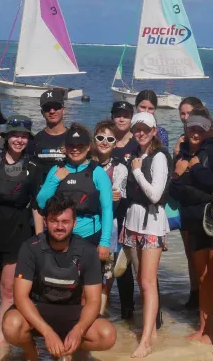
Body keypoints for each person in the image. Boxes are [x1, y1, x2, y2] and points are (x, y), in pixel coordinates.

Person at [2, 194, 117, 360]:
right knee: (10, 326)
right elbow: (20, 297)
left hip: (72, 311)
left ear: (74, 223)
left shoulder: (88, 251)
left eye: (65, 222)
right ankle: (31, 351)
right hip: (38, 307)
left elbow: (93, 301)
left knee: (107, 335)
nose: (59, 226)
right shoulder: (31, 247)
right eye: (54, 221)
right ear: (46, 222)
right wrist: (47, 332)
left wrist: (78, 331)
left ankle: (69, 348)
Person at [169, 111, 213, 346]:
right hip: (192, 221)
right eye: (191, 128)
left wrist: (195, 170)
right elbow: (175, 190)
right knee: (203, 277)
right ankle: (204, 327)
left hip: (212, 221)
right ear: (185, 129)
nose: (195, 133)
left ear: (208, 131)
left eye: (200, 129)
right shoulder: (184, 154)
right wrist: (179, 173)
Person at [0, 115, 38, 345]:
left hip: (19, 229)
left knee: (7, 289)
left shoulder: (34, 166)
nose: (19, 140)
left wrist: (40, 239)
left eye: (24, 136)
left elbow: (37, 205)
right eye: (15, 135)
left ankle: (3, 338)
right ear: (6, 137)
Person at [123, 111, 170, 358]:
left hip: (151, 223)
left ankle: (146, 342)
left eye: (145, 128)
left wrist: (138, 172)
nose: (140, 132)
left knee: (148, 282)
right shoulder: (137, 155)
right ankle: (149, 332)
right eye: (137, 129)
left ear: (154, 131)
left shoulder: (159, 157)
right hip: (133, 223)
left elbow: (155, 194)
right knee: (141, 280)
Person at [35, 124, 114, 263]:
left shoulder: (97, 172)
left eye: (80, 145)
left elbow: (107, 209)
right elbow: (41, 202)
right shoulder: (56, 170)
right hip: (59, 236)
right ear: (65, 148)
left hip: (90, 236)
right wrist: (55, 179)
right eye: (71, 145)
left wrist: (105, 242)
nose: (76, 149)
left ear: (89, 146)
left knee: (90, 283)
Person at [90, 120, 128, 316]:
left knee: (105, 278)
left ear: (115, 143)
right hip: (85, 224)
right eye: (100, 137)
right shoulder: (85, 164)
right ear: (93, 139)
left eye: (110, 139)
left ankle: (99, 316)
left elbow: (115, 203)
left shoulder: (120, 169)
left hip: (109, 227)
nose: (104, 142)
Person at [171, 96, 205, 309]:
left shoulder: (210, 139)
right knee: (189, 253)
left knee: (203, 255)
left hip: (203, 205)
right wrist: (176, 153)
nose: (185, 118)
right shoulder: (181, 142)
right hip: (185, 204)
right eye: (182, 114)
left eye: (188, 113)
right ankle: (194, 293)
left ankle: (204, 295)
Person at [109, 100, 139, 320]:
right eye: (118, 115)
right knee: (109, 260)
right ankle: (105, 308)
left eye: (126, 115)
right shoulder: (105, 142)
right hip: (109, 210)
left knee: (129, 261)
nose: (121, 119)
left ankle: (129, 312)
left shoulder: (136, 144)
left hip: (130, 211)